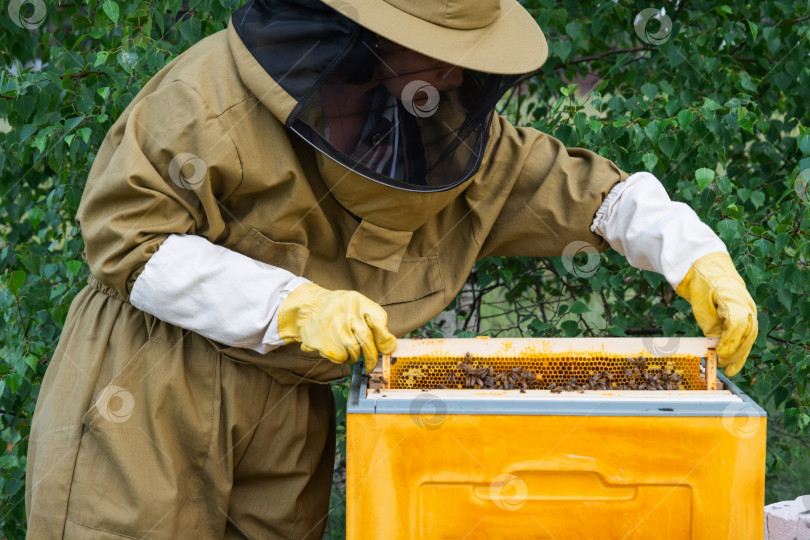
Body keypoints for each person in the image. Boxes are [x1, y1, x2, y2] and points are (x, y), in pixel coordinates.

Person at [25, 0, 758, 537]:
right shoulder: (203, 100)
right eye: (434, 46)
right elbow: (132, 239)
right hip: (154, 385)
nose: (455, 70)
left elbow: (587, 193)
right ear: (366, 32)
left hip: (291, 401)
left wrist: (695, 256)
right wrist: (290, 305)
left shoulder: (442, 119)